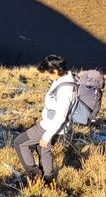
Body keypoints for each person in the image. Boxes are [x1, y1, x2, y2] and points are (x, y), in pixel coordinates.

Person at [12, 55, 75, 184]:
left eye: (48, 72)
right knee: (44, 150)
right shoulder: (64, 80)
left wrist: (46, 136)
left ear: (56, 71)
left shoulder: (65, 89)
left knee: (20, 143)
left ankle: (34, 176)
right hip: (54, 127)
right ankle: (48, 179)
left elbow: (60, 116)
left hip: (49, 126)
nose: (47, 75)